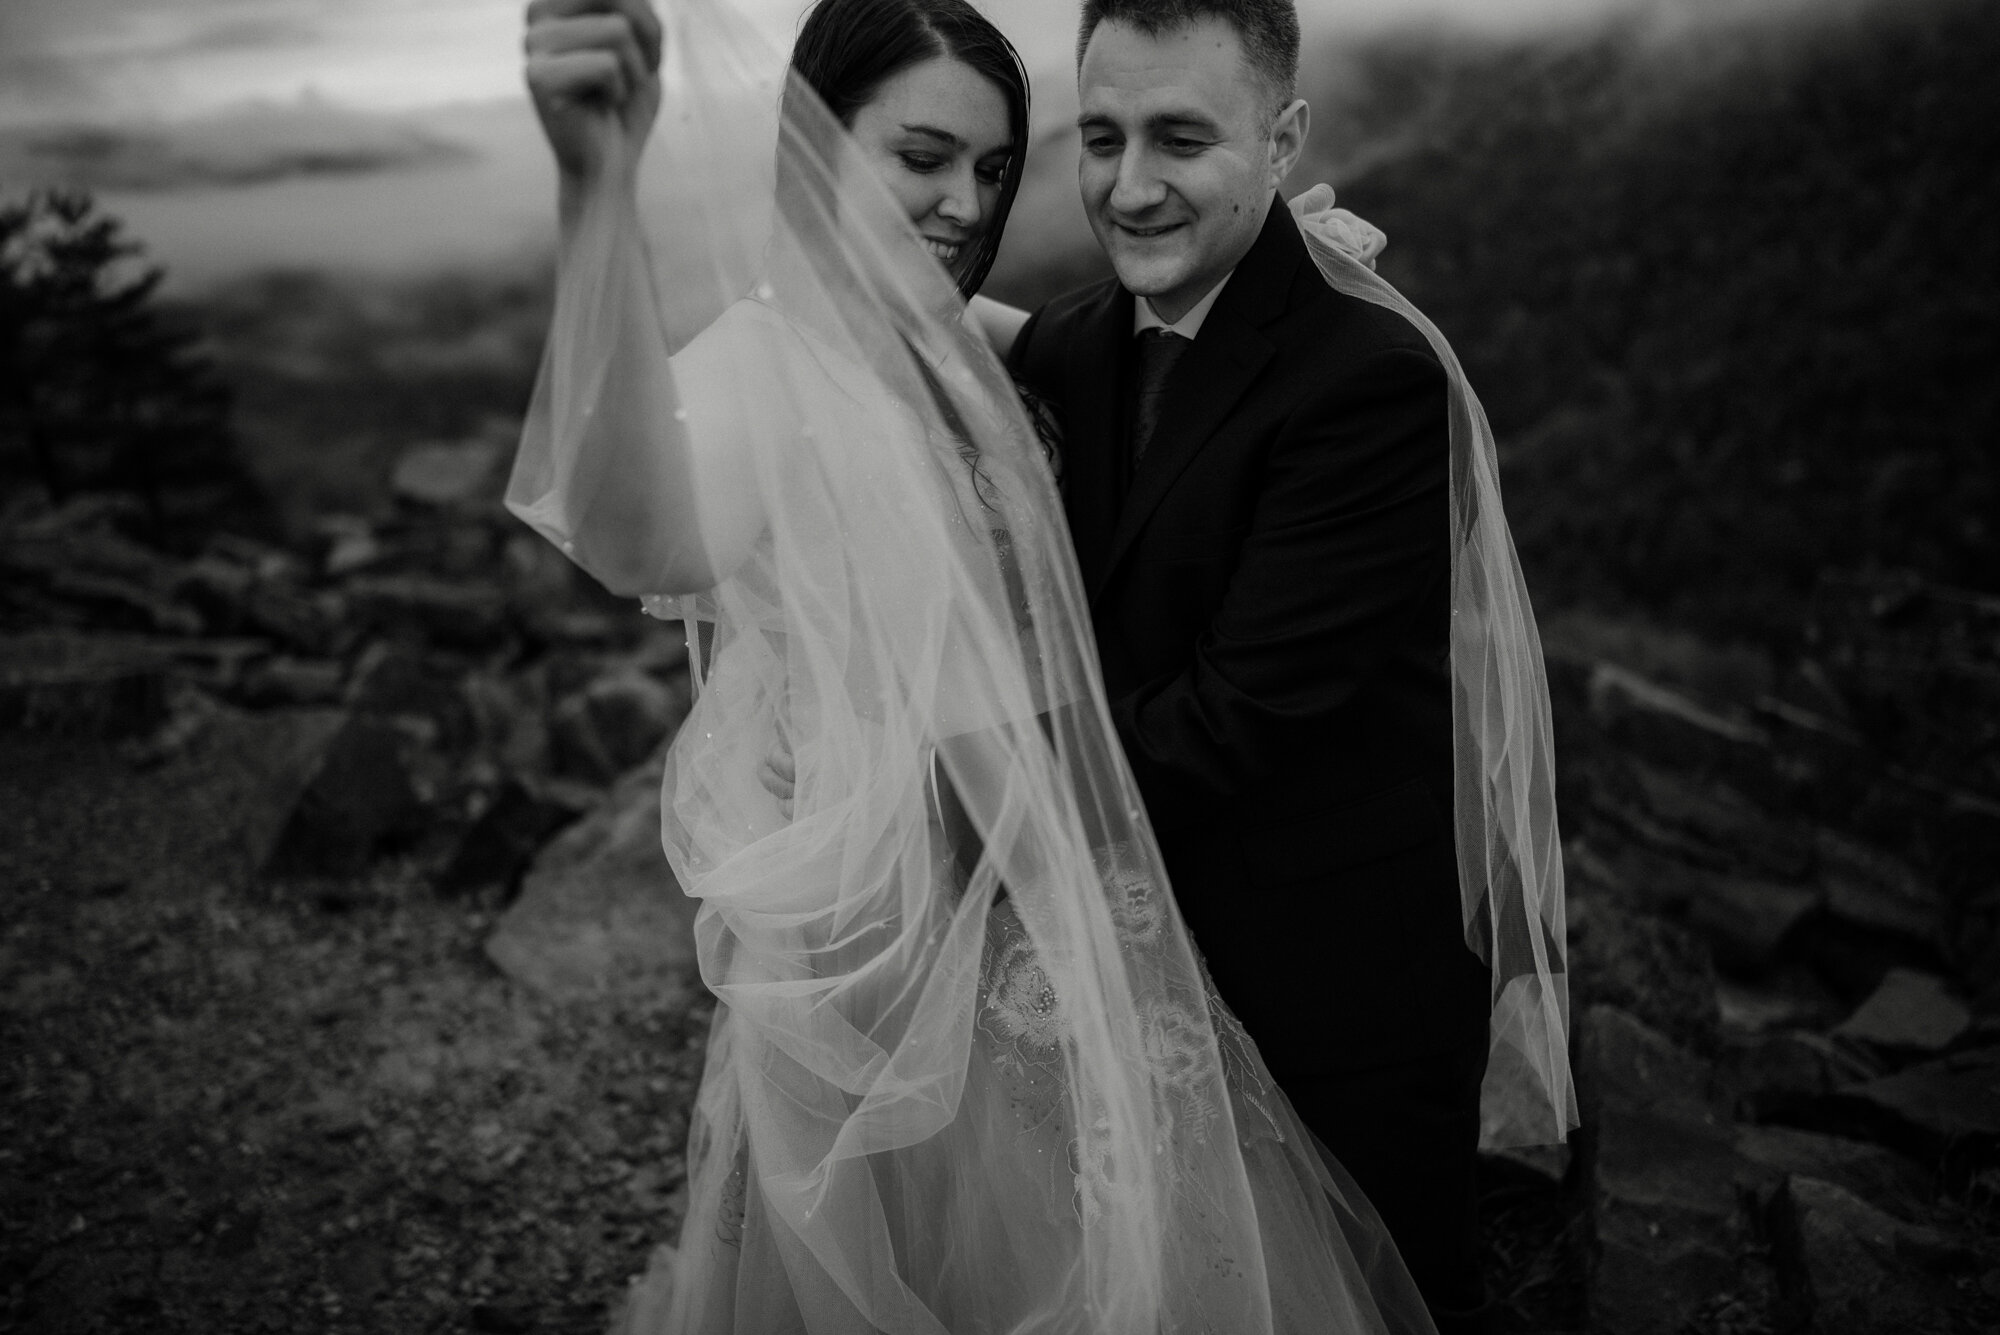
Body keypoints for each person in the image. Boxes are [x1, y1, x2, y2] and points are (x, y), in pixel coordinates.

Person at [512, 0, 1446, 1331]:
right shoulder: (759, 371)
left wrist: (1286, 258)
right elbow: (630, 530)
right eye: (922, 156)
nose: (962, 201)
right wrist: (596, 189)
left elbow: (1115, 332)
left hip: (1066, 924)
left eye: (994, 168)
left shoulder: (960, 349)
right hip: (899, 957)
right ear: (813, 148)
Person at [995, 2, 1576, 1331]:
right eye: (1099, 137)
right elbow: (982, 332)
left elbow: (1233, 721)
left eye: (1180, 138)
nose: (1128, 186)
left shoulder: (1366, 379)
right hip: (1163, 974)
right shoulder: (1104, 333)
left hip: (1337, 995)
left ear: (1283, 138)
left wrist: (951, 773)